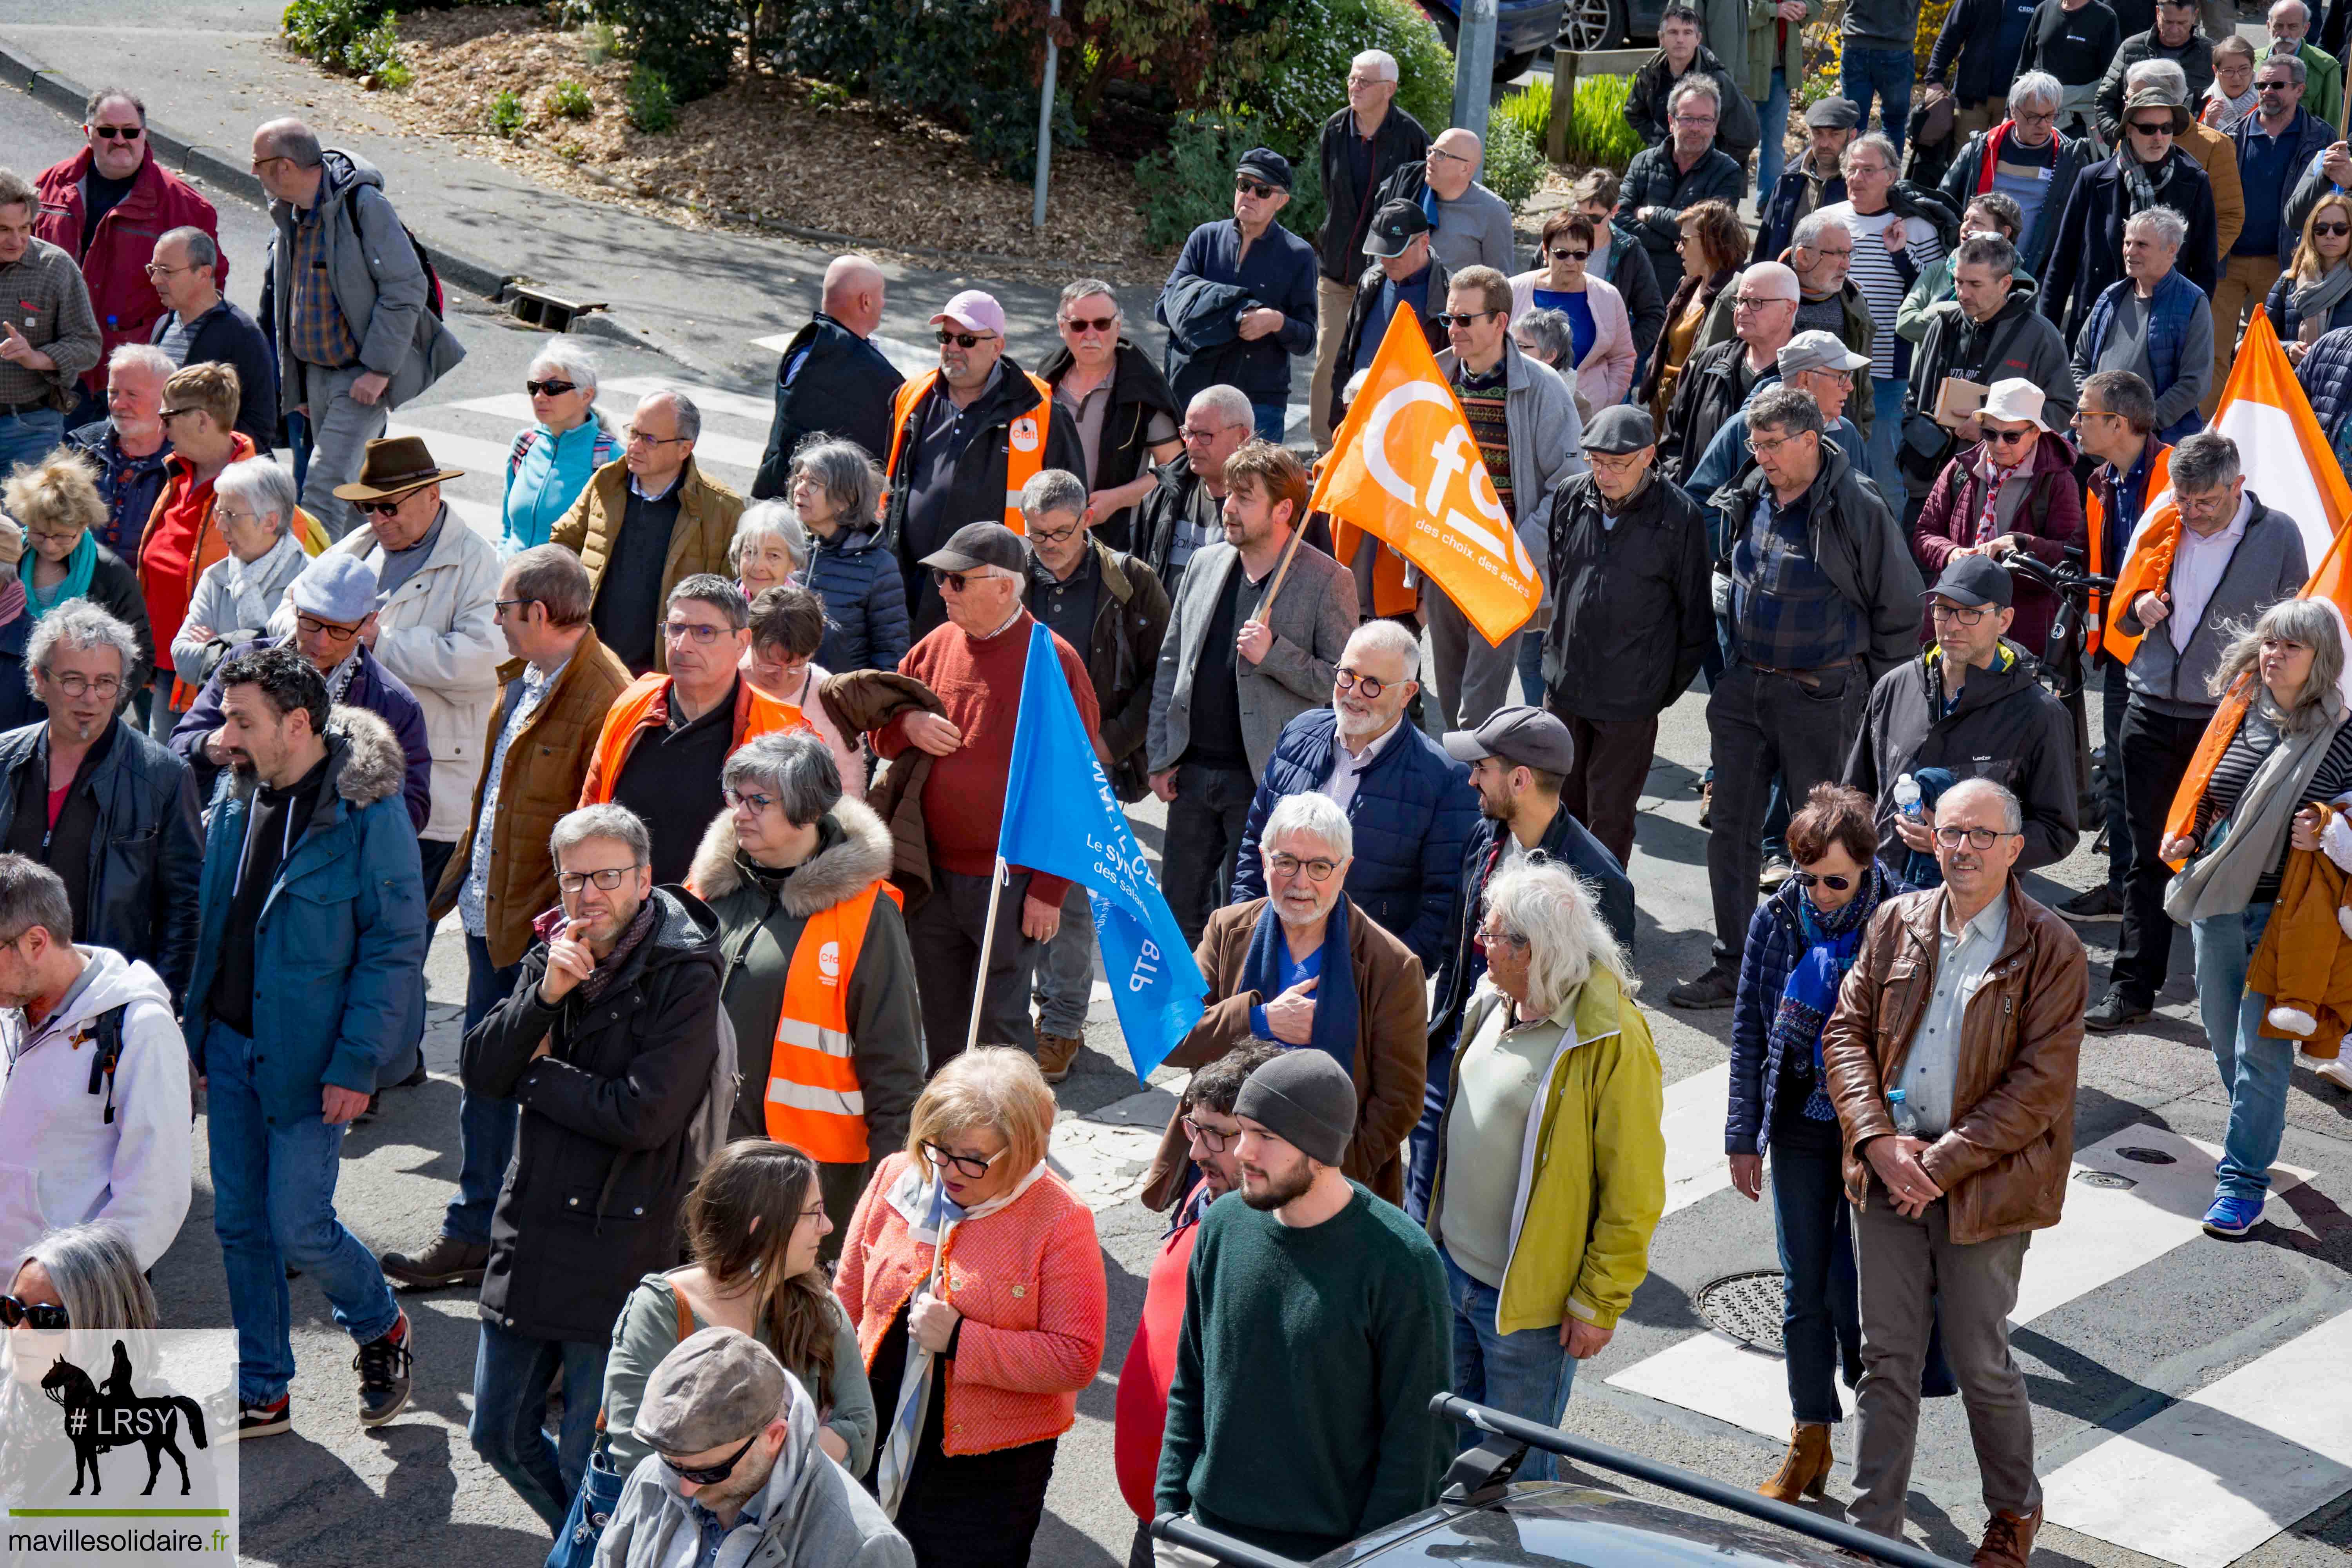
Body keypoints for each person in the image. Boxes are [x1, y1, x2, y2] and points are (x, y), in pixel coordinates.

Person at [1822, 778, 2085, 1567]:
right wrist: (1877, 1140)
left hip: (1984, 1183)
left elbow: (2041, 1086)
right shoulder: (1893, 920)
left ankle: (2014, 1509)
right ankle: (1871, 1532)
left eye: (1981, 834)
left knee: (1980, 1358)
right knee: (1886, 1356)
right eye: (1950, 832)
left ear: (2013, 848)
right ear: (1929, 839)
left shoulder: (2051, 947)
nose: (1963, 847)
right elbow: (1845, 1032)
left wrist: (1936, 1161)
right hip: (1890, 1170)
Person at [183, 645, 426, 1438]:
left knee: (299, 1224)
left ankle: (380, 1322)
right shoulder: (236, 787)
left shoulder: (367, 812)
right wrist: (194, 1032)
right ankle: (265, 1387)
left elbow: (393, 946)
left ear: (296, 724)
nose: (224, 735)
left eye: (240, 720)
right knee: (240, 1225)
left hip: (314, 1060)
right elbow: (212, 920)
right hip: (229, 1042)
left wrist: (358, 1061)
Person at [459, 800, 721, 1529]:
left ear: (644, 881)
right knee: (498, 1435)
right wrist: (543, 999)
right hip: (532, 1229)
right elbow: (483, 1070)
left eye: (607, 877)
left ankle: (597, 1549)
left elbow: (644, 1114)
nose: (588, 896)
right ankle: (584, 1546)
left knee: (591, 1461)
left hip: (618, 1243)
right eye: (574, 880)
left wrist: (537, 1079)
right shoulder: (556, 954)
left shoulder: (684, 971)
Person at [378, 545, 632, 1292]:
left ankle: (513, 1242)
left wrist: (571, 934)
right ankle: (476, 1231)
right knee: (485, 1081)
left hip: (540, 934)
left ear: (540, 615)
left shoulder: (602, 696)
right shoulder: (523, 677)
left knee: (522, 1089)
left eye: (503, 610)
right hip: (492, 913)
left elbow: (600, 831)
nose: (495, 621)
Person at [1672, 386, 1925, 1009]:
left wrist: (1882, 701)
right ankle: (1735, 963)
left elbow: (1901, 607)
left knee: (1824, 839)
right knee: (1729, 829)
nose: (1761, 457)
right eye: (1755, 445)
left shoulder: (1857, 506)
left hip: (1823, 697)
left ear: (1810, 440)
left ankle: (1829, 971)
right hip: (1747, 686)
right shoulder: (1755, 489)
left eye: (1771, 445)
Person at [1154, 1049, 1450, 1561]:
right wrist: (1170, 1511)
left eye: (1266, 1137)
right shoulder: (1222, 1226)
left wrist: (1366, 1559)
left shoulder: (1402, 1261)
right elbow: (1191, 1385)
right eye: (1243, 1131)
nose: (1243, 1152)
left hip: (1325, 1553)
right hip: (1202, 1535)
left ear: (1319, 1151)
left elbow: (1418, 1445)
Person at [1425, 859, 1664, 1477]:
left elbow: (1633, 1191)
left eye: (1497, 934)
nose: (1481, 941)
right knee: (1448, 1461)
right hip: (1454, 1277)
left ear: (1537, 950)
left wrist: (1598, 1302)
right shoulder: (1494, 997)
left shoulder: (1612, 1039)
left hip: (1528, 1310)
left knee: (1517, 1481)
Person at [836, 1049, 1107, 1568]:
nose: (947, 1170)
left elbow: (1076, 1358)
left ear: (1023, 1149)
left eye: (972, 1158)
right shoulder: (898, 1174)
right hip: (872, 1433)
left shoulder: (1060, 1219)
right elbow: (848, 1293)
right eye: (937, 1148)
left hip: (984, 1477)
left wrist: (962, 1338)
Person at [1724, 784, 1906, 1499]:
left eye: (1838, 880)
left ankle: (1882, 1433)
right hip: (1799, 1120)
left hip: (1875, 1130)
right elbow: (1748, 1029)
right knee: (1804, 1285)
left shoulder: (1899, 923)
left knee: (1861, 1294)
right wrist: (1744, 1137)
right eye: (1809, 878)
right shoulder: (1777, 920)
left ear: (1866, 869)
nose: (1822, 894)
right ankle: (1810, 1438)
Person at [2094, 431, 2310, 1030]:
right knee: (2146, 853)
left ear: (2238, 486)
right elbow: (2127, 588)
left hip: (2229, 720)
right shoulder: (2164, 516)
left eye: (2206, 503)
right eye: (2182, 500)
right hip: (2151, 708)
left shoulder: (2280, 536)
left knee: (2236, 855)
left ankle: (2247, 996)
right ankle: (2134, 986)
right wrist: (2138, 605)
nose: (2191, 513)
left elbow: (2296, 627)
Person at [584, 1145, 879, 1568]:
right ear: (761, 1227)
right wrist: (798, 1447)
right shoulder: (664, 1308)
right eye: (813, 1213)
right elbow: (639, 1450)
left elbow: (861, 1430)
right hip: (679, 1537)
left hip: (787, 1539)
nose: (828, 1226)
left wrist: (728, 1463)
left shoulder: (820, 1309)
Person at [876, 522, 1101, 1067]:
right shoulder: (936, 644)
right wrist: (908, 725)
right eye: (941, 580)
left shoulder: (1053, 661)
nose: (944, 591)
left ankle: (1010, 1139)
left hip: (1008, 880)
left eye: (957, 581)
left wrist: (1050, 889)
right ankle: (950, 1133)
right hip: (930, 871)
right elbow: (881, 730)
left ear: (1005, 586)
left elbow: (1078, 788)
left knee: (1001, 1024)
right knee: (940, 1016)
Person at [2163, 601, 2352, 1236]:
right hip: (2219, 902)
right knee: (2223, 1039)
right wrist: (2185, 833)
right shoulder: (2238, 709)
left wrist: (2326, 831)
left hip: (2291, 917)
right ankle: (2256, 1131)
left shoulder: (2346, 734)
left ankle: (2242, 1181)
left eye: (2290, 647)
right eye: (2269, 643)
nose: (2273, 655)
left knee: (2261, 1056)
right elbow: (2207, 790)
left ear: (2321, 658)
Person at [1142, 791, 1428, 1208]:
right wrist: (1259, 1021)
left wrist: (1326, 1178)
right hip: (1225, 1170)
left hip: (1326, 1184)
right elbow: (1169, 1037)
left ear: (1344, 870)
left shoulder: (1391, 966)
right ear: (1264, 860)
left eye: (1319, 867)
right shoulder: (1227, 930)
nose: (1301, 882)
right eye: (1286, 862)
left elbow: (1399, 1103)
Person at [689, 732, 922, 1236]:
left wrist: (893, 1197)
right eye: (736, 798)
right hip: (701, 1158)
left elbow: (895, 1066)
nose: (740, 814)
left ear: (805, 811)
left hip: (807, 1184)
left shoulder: (868, 914)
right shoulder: (706, 892)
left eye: (759, 801)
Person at [1416, 707, 1636, 1214]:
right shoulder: (1482, 838)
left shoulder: (1597, 882)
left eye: (1482, 768)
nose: (1471, 778)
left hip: (1528, 1088)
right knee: (1421, 1212)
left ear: (1519, 780)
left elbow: (1604, 1014)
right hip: (1450, 1061)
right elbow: (1456, 956)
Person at [1148, 442, 1357, 944]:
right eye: (1227, 494)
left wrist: (1276, 654)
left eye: (1245, 497)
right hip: (1192, 774)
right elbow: (1172, 663)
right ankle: (1186, 1022)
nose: (1228, 507)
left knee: (1247, 921)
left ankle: (1241, 1017)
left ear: (1284, 509)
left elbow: (1345, 688)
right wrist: (1161, 752)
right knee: (1177, 916)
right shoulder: (1204, 563)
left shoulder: (1329, 580)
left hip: (1266, 780)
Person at [1016, 469, 1170, 1075]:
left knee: (1070, 894)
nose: (1049, 544)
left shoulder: (1130, 582)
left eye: (1062, 531)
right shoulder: (1009, 571)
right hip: (1020, 754)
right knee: (1014, 886)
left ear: (1088, 520)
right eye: (1037, 533)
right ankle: (1022, 1002)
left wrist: (1110, 743)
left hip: (1089, 761)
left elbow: (1163, 671)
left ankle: (1061, 1022)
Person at [249, 120, 464, 538]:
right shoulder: (292, 212)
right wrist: (298, 388)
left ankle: (306, 592)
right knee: (352, 497)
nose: (254, 172)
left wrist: (379, 370)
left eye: (259, 163)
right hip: (318, 376)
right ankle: (360, 584)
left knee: (323, 488)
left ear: (286, 167)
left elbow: (406, 287)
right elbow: (291, 301)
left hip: (360, 376)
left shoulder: (363, 204)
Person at [1110, 1040, 1280, 1560]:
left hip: (1207, 1524)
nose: (1198, 1151)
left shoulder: (1279, 1248)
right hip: (1157, 1507)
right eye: (1194, 1128)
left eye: (1217, 1135)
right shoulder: (1204, 1196)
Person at [310, 434, 500, 896]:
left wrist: (379, 642)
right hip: (341, 775)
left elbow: (485, 660)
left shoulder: (478, 563)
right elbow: (296, 607)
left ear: (432, 496)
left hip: (425, 784)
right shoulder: (360, 543)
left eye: (388, 507)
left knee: (400, 931)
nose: (377, 519)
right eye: (367, 508)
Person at [1227, 621, 1477, 967]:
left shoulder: (1445, 780)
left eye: (1373, 684)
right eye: (1347, 675)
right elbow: (1256, 847)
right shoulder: (1299, 734)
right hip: (1270, 953)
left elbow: (1443, 909)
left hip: (1364, 980)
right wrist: (1245, 940)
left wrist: (1379, 981)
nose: (1355, 693)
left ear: (1407, 694)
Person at [1533, 405, 1712, 867]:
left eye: (1618, 463)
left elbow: (1694, 617)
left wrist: (1655, 689)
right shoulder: (1572, 496)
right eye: (1596, 461)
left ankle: (1603, 921)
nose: (1605, 473)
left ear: (1649, 456)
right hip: (1567, 685)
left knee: (1610, 818)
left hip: (1629, 698)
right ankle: (1553, 911)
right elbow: (1561, 575)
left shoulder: (1679, 517)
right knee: (1557, 808)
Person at [0, 599, 201, 1002]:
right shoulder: (4, 759)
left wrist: (157, 1001)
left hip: (103, 997)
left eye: (106, 683)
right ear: (41, 679)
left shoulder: (164, 776)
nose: (90, 698)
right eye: (74, 680)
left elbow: (184, 908)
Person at [0, 852, 190, 1274]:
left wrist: (69, 1285)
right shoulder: (8, 1007)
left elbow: (157, 1196)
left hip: (69, 1307)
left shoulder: (141, 1028)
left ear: (36, 942)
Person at [1847, 555, 2081, 880]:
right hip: (1881, 897)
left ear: (2004, 620)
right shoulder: (1894, 687)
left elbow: (2057, 833)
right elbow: (1855, 794)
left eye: (1970, 613)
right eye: (1943, 609)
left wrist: (1957, 842)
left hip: (1974, 912)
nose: (1952, 625)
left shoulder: (2039, 715)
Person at [597, 1329, 913, 1568]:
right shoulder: (656, 1474)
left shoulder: (863, 1546)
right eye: (673, 1464)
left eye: (710, 1472)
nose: (685, 1488)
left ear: (774, 1436)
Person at [1427, 266, 1584, 730]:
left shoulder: (1543, 387)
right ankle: (1464, 793)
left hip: (1503, 566)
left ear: (1499, 322)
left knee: (1479, 708)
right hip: (1445, 561)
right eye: (1447, 318)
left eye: (1464, 320)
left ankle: (1481, 795)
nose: (1452, 330)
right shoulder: (1433, 377)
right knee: (1451, 694)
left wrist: (1516, 550)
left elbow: (1569, 483)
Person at [171, 552, 431, 824]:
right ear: (294, 605)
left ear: (368, 623)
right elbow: (178, 748)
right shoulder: (243, 660)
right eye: (311, 623)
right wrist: (212, 745)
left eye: (339, 630)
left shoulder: (394, 704)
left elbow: (412, 809)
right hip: (229, 833)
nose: (321, 642)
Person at [580, 575, 804, 887]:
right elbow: (591, 808)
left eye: (705, 633)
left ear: (742, 643)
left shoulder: (785, 731)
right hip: (620, 909)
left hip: (721, 922)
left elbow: (802, 848)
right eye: (676, 629)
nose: (683, 646)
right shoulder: (632, 703)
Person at [886, 289, 1084, 633]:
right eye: (946, 337)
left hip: (991, 595)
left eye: (967, 339)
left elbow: (1069, 511)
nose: (953, 348)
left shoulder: (1041, 410)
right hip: (907, 588)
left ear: (998, 346)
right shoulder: (913, 396)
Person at [32, 89, 221, 425]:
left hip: (127, 383)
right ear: (88, 133)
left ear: (144, 135)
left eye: (130, 131)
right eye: (108, 131)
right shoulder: (50, 187)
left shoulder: (183, 205)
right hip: (50, 369)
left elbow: (205, 296)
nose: (120, 140)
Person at [2062, 370, 2168, 923]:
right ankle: (2125, 890)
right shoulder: (2103, 479)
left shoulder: (2178, 476)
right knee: (2124, 777)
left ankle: (2154, 893)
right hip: (2124, 654)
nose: (2075, 423)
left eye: (2085, 414)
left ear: (2120, 424)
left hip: (2171, 659)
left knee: (2155, 781)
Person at [550, 387, 741, 677]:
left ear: (684, 449)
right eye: (634, 433)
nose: (636, 446)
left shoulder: (722, 509)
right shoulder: (607, 483)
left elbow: (732, 601)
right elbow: (562, 545)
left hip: (663, 674)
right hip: (589, 661)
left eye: (650, 439)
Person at [1909, 378, 2086, 662]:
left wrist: (2022, 544)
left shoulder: (2058, 481)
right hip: (1953, 622)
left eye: (2011, 436)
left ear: (2035, 434)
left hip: (2020, 629)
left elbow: (2071, 558)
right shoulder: (1961, 467)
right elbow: (1924, 533)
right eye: (1990, 434)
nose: (1999, 444)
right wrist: (1951, 554)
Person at [1901, 233, 2079, 507]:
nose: (1963, 293)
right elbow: (1914, 394)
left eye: (1975, 284)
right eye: (1959, 282)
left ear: (2005, 283)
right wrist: (1914, 441)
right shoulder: (1942, 326)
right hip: (1929, 485)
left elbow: (2063, 409)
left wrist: (1993, 427)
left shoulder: (2040, 335)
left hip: (2000, 493)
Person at [1158, 150, 1321, 443]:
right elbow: (1164, 307)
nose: (1250, 196)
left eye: (1262, 190)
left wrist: (1276, 322)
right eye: (1244, 185)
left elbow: (1307, 339)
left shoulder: (1299, 255)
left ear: (1282, 201)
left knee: (1253, 490)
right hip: (1193, 397)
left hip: (1258, 402)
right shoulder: (1204, 238)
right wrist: (1233, 312)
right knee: (1184, 489)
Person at [1820, 135, 1951, 498]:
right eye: (1852, 169)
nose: (1856, 178)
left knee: (1882, 471)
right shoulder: (1825, 221)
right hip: (1828, 365)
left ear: (1891, 176)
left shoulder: (1917, 229)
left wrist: (1900, 254)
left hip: (1887, 371)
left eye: (1868, 170)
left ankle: (1888, 550)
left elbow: (1936, 293)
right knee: (1826, 462)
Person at [1312, 51, 1431, 449]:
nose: (1355, 87)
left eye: (1365, 81)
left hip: (1385, 274)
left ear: (1390, 90)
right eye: (1352, 79)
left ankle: (1378, 444)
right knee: (1329, 358)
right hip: (1337, 270)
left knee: (1375, 362)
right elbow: (1331, 193)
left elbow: (1418, 205)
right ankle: (1324, 446)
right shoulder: (1335, 129)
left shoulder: (1412, 137)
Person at [2045, 85, 2222, 339]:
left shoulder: (2194, 181)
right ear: (2129, 129)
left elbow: (2204, 266)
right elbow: (2063, 260)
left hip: (2164, 321)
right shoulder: (2092, 179)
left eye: (2167, 128)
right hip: (2099, 317)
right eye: (2148, 129)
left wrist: (2190, 324)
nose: (2159, 137)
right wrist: (2048, 332)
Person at [136, 360, 253, 730]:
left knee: (173, 773)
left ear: (202, 420)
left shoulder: (254, 490)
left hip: (200, 671)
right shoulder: (179, 471)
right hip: (154, 657)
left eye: (168, 416)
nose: (162, 427)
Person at [1039, 280, 1180, 554]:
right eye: (1079, 325)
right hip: (1044, 534)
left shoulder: (1142, 388)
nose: (1090, 334)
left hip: (1116, 543)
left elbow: (1175, 469)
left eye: (1102, 324)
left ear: (1118, 327)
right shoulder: (1044, 383)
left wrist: (1117, 500)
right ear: (1062, 328)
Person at [750, 253, 904, 503]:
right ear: (866, 301)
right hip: (821, 510)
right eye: (882, 295)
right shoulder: (848, 361)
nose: (884, 303)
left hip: (777, 493)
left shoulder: (809, 345)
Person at [1684, 331, 1873, 521]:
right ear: (1805, 379)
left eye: (1850, 376)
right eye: (1841, 377)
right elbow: (1698, 505)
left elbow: (1867, 512)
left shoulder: (1846, 432)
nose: (1850, 387)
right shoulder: (1741, 428)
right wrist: (1740, 546)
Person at [2072, 207, 2214, 448]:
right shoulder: (2110, 297)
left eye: (2142, 245)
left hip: (2152, 445)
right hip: (2094, 443)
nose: (2130, 252)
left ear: (2171, 250)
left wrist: (2139, 425)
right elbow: (2080, 363)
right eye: (2127, 243)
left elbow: (2194, 384)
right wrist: (2094, 415)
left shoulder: (2192, 302)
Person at [7, 451, 152, 684]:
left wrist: (100, 707)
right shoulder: (9, 560)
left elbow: (140, 654)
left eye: (63, 537)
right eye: (39, 534)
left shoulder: (111, 573)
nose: (50, 546)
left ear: (84, 525)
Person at [171, 457, 309, 702]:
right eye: (218, 512)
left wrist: (219, 647)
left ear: (270, 521)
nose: (221, 525)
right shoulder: (216, 577)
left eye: (231, 515)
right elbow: (182, 656)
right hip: (219, 717)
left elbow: (306, 671)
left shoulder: (308, 581)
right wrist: (264, 651)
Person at [1935, 74, 2091, 279]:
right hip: (1975, 270)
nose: (2043, 125)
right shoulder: (1982, 150)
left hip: (2036, 273)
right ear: (2015, 111)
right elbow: (1942, 204)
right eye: (2033, 117)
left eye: (2050, 116)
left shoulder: (2070, 160)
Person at [1659, 255, 1800, 480]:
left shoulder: (1807, 375)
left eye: (1756, 302)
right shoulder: (1713, 360)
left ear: (1789, 309)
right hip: (1700, 507)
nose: (1742, 311)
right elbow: (1675, 432)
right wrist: (1678, 483)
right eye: (1740, 301)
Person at [0, 168, 100, 471]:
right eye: (3, 229)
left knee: (18, 521)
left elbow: (88, 346)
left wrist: (37, 358)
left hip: (29, 428)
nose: (16, 240)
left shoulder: (55, 268)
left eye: (25, 227)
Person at [1620, 80, 1748, 306]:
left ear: (1716, 125)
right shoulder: (1644, 162)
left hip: (1688, 293)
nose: (1696, 128)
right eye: (1687, 118)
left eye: (1705, 120)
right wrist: (1676, 240)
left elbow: (1709, 233)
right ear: (1672, 121)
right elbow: (1618, 219)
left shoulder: (1728, 172)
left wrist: (1650, 214)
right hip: (1633, 282)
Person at [144, 227, 273, 449]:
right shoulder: (163, 325)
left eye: (166, 271)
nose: (155, 280)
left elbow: (260, 426)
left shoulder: (242, 334)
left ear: (203, 274)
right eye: (153, 269)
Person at [789, 436, 908, 675]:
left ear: (844, 500)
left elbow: (891, 657)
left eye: (813, 484)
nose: (799, 490)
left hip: (839, 700)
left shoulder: (878, 566)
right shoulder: (786, 546)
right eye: (799, 479)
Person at [1328, 201, 1451, 425]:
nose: (1385, 261)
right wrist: (1338, 417)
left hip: (1416, 426)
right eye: (1381, 253)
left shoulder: (1450, 295)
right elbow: (1347, 354)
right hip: (1360, 419)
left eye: (1396, 253)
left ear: (1424, 242)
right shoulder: (1370, 281)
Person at [1641, 199, 1751, 430]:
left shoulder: (1736, 295)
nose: (1678, 248)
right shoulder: (1687, 285)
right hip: (1663, 403)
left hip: (1696, 411)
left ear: (1711, 243)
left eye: (1684, 240)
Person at [742, 585, 863, 796]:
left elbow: (848, 791)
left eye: (796, 667)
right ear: (749, 639)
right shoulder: (725, 679)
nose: (782, 677)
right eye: (770, 665)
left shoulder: (830, 698)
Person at [1509, 215, 1637, 411]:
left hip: (1587, 413)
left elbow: (1623, 358)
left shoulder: (1608, 297)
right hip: (1522, 407)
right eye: (1562, 254)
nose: (1571, 262)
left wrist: (1607, 402)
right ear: (1545, 252)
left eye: (1580, 255)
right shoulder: (1514, 290)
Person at [1133, 385, 1254, 592]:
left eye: (1204, 435)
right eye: (1188, 433)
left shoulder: (1269, 505)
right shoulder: (1163, 495)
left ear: (1242, 437)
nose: (1191, 445)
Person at [498, 342, 615, 555]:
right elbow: (508, 526)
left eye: (552, 388)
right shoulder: (525, 443)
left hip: (561, 586)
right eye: (534, 387)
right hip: (508, 581)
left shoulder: (610, 457)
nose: (539, 397)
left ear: (586, 396)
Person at [60, 344, 172, 561]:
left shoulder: (185, 463)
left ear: (165, 398)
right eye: (113, 392)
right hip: (79, 580)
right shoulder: (80, 447)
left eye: (133, 395)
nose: (119, 404)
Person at [2133, 57, 2249, 263]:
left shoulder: (2215, 146)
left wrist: (2197, 267)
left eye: (2136, 96)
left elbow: (2230, 217)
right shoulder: (2128, 141)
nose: (2128, 104)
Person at [1626, 4, 1765, 171]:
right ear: (1661, 38)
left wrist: (1712, 165)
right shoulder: (1650, 75)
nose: (1680, 39)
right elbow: (1633, 113)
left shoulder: (1717, 80)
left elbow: (1747, 136)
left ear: (1698, 39)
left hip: (1709, 181)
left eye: (1687, 33)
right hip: (1664, 173)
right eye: (1673, 32)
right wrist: (1656, 141)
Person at [1576, 173, 1672, 391]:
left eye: (1594, 218)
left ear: (1614, 212)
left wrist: (1621, 353)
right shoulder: (1554, 240)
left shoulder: (1630, 252)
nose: (1584, 225)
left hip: (1606, 373)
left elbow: (1653, 316)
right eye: (1578, 215)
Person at [2097, 0, 2219, 141]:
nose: (2174, 30)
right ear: (2157, 13)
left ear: (2195, 16)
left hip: (2193, 147)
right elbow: (2104, 101)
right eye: (2168, 22)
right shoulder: (2131, 49)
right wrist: (2121, 139)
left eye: (2182, 23)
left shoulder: (2210, 53)